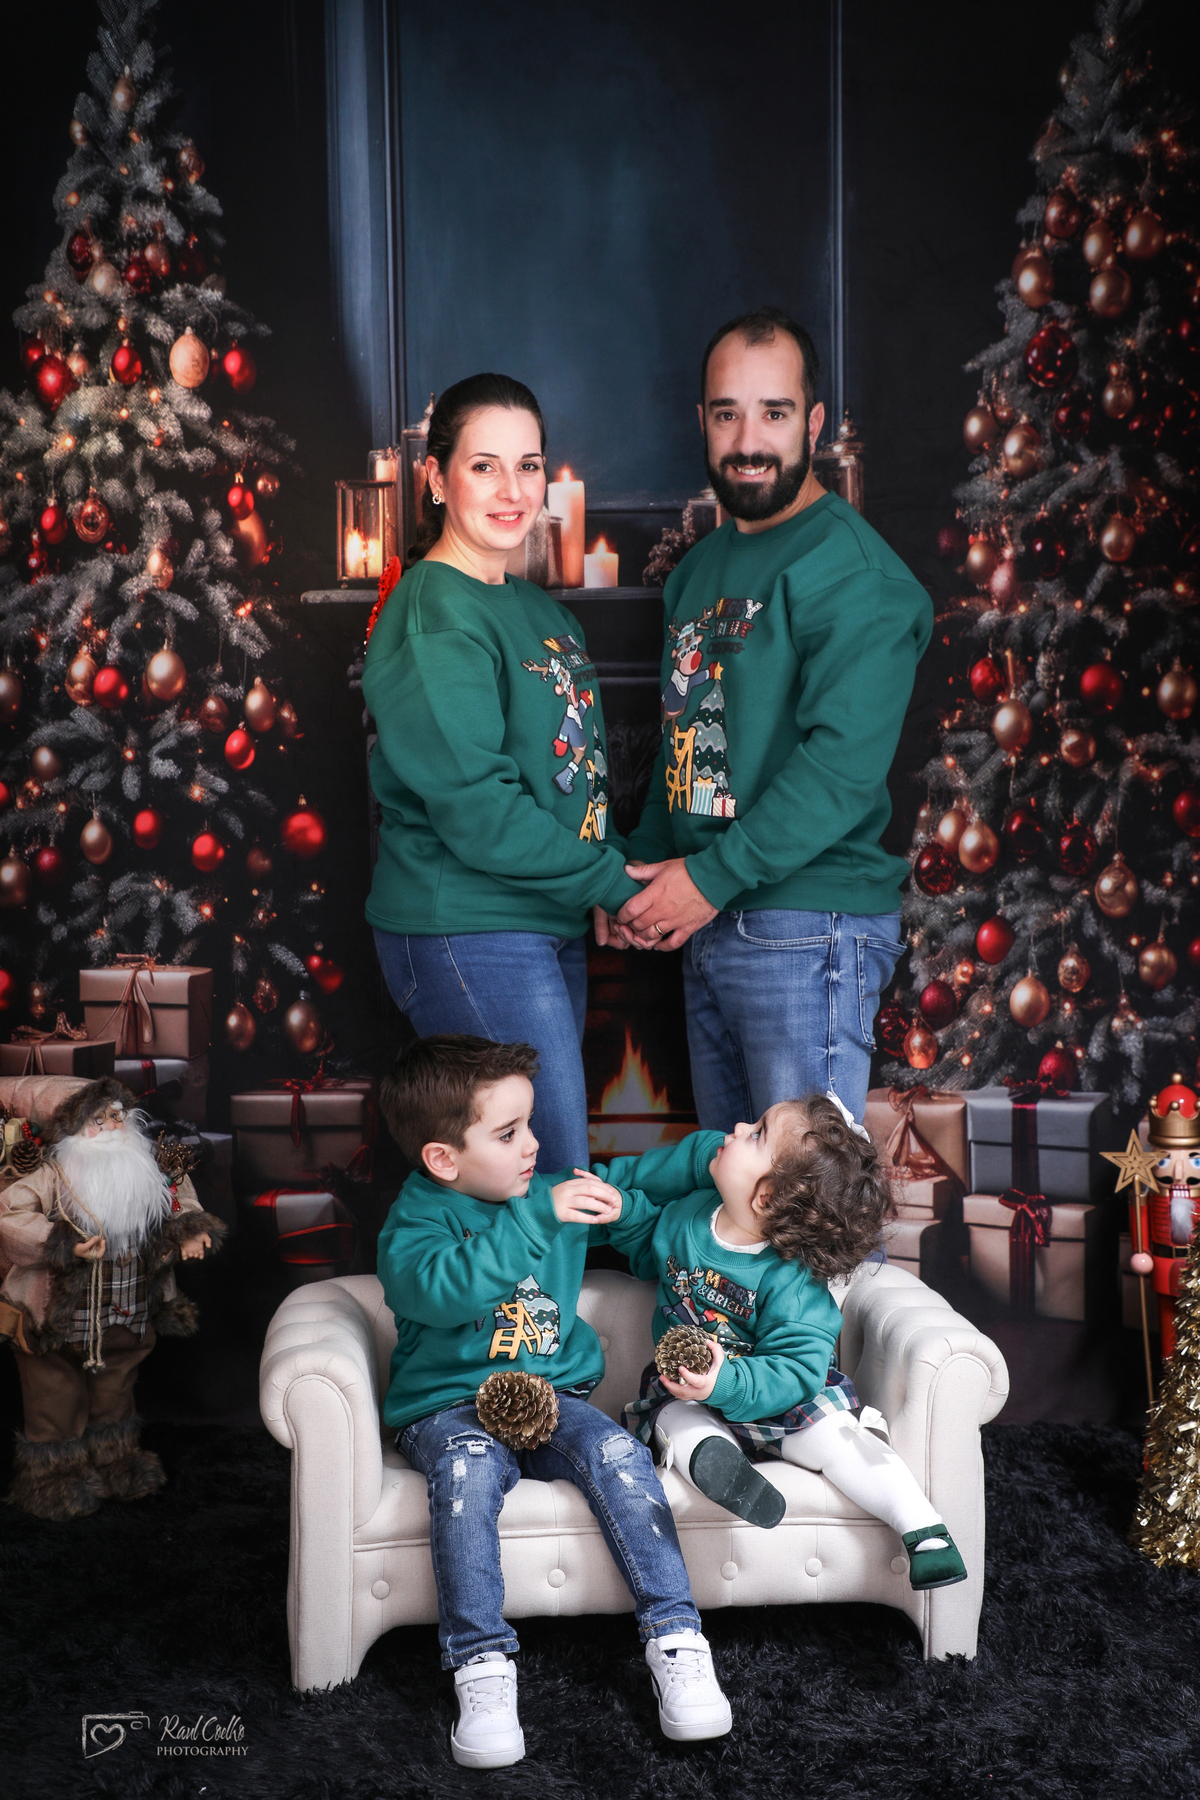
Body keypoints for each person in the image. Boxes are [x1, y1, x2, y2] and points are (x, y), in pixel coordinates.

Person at [602, 307, 932, 1129]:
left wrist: (707, 880)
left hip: (805, 927)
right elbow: (683, 744)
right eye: (728, 414)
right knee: (740, 1195)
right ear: (703, 422)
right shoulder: (698, 572)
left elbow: (839, 771)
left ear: (813, 425)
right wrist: (633, 882)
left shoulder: (856, 574)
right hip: (711, 918)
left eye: (774, 414)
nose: (748, 441)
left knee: (803, 1194)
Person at [375, 1034, 732, 1769]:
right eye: (508, 1133)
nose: (534, 1144)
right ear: (444, 1159)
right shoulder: (416, 1223)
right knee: (468, 1475)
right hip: (448, 1407)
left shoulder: (549, 1191)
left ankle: (676, 1638)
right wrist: (538, 1218)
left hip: (552, 1396)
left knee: (619, 1453)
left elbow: (642, 1176)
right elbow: (443, 1291)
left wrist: (713, 1156)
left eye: (530, 1123)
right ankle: (481, 1665)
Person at [363, 374, 642, 1174]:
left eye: (529, 465)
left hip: (545, 919)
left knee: (539, 1178)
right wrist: (611, 882)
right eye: (484, 466)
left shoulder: (541, 610)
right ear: (436, 477)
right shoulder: (434, 610)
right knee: (547, 1178)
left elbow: (575, 775)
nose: (512, 490)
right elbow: (481, 809)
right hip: (469, 929)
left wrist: (601, 877)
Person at [600, 1091, 966, 1589]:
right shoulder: (689, 1216)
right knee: (674, 1420)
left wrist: (726, 1382)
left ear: (767, 1197)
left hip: (780, 1394)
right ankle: (723, 1467)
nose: (736, 1127)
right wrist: (623, 1212)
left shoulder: (793, 1280)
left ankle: (922, 1528)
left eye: (756, 1134)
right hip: (691, 1389)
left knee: (837, 1439)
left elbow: (796, 1368)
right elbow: (651, 1248)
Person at [0, 1078, 223, 1520]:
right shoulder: (55, 1173)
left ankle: (115, 1461)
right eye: (96, 1119)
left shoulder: (148, 1165)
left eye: (116, 1115)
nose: (110, 1126)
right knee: (53, 1396)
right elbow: (9, 1213)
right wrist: (62, 1242)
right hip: (59, 1317)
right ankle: (53, 1477)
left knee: (115, 1389)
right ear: (72, 1127)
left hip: (127, 1309)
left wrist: (190, 1230)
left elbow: (179, 1198)